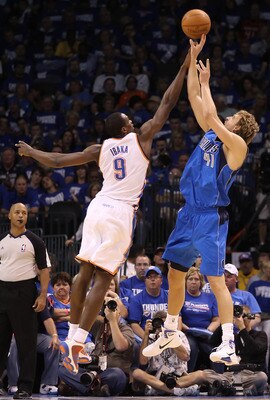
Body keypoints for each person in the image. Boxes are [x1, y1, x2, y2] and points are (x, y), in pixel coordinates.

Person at [16, 50, 190, 374]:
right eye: (130, 121)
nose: (134, 122)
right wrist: (185, 65)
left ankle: (73, 340)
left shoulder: (100, 149)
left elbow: (56, 161)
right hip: (120, 212)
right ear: (124, 129)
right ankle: (78, 341)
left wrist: (30, 151)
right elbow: (167, 102)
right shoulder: (141, 139)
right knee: (104, 278)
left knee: (84, 273)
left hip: (96, 207)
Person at [143, 34, 260, 366]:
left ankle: (228, 343)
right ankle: (169, 329)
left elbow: (209, 114)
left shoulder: (237, 147)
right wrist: (195, 61)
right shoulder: (213, 135)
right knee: (175, 272)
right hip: (188, 213)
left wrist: (206, 84)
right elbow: (195, 100)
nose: (227, 117)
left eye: (233, 117)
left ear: (240, 127)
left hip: (211, 217)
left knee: (214, 279)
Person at [0, 203, 50, 399]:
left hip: (25, 293)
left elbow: (44, 271)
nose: (21, 215)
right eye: (17, 212)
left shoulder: (35, 241)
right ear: (10, 215)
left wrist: (43, 295)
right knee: (1, 343)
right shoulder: (1, 240)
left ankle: (25, 387)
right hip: (2, 293)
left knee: (26, 344)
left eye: (24, 213)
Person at [58, 298, 135, 396]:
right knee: (63, 369)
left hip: (110, 373)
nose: (111, 312)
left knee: (118, 375)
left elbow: (120, 346)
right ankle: (95, 389)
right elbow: (82, 315)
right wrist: (98, 301)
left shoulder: (126, 329)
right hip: (92, 371)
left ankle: (79, 389)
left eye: (114, 310)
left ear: (119, 315)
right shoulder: (100, 325)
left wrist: (112, 321)